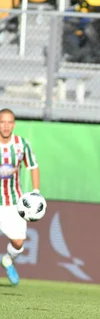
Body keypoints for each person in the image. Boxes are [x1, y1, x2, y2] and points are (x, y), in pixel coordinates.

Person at [0, 109, 40, 286]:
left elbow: (33, 166)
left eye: (9, 122)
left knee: (18, 242)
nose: (6, 126)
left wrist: (36, 191)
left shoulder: (21, 145)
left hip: (13, 202)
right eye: (2, 122)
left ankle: (8, 260)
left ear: (14, 124)